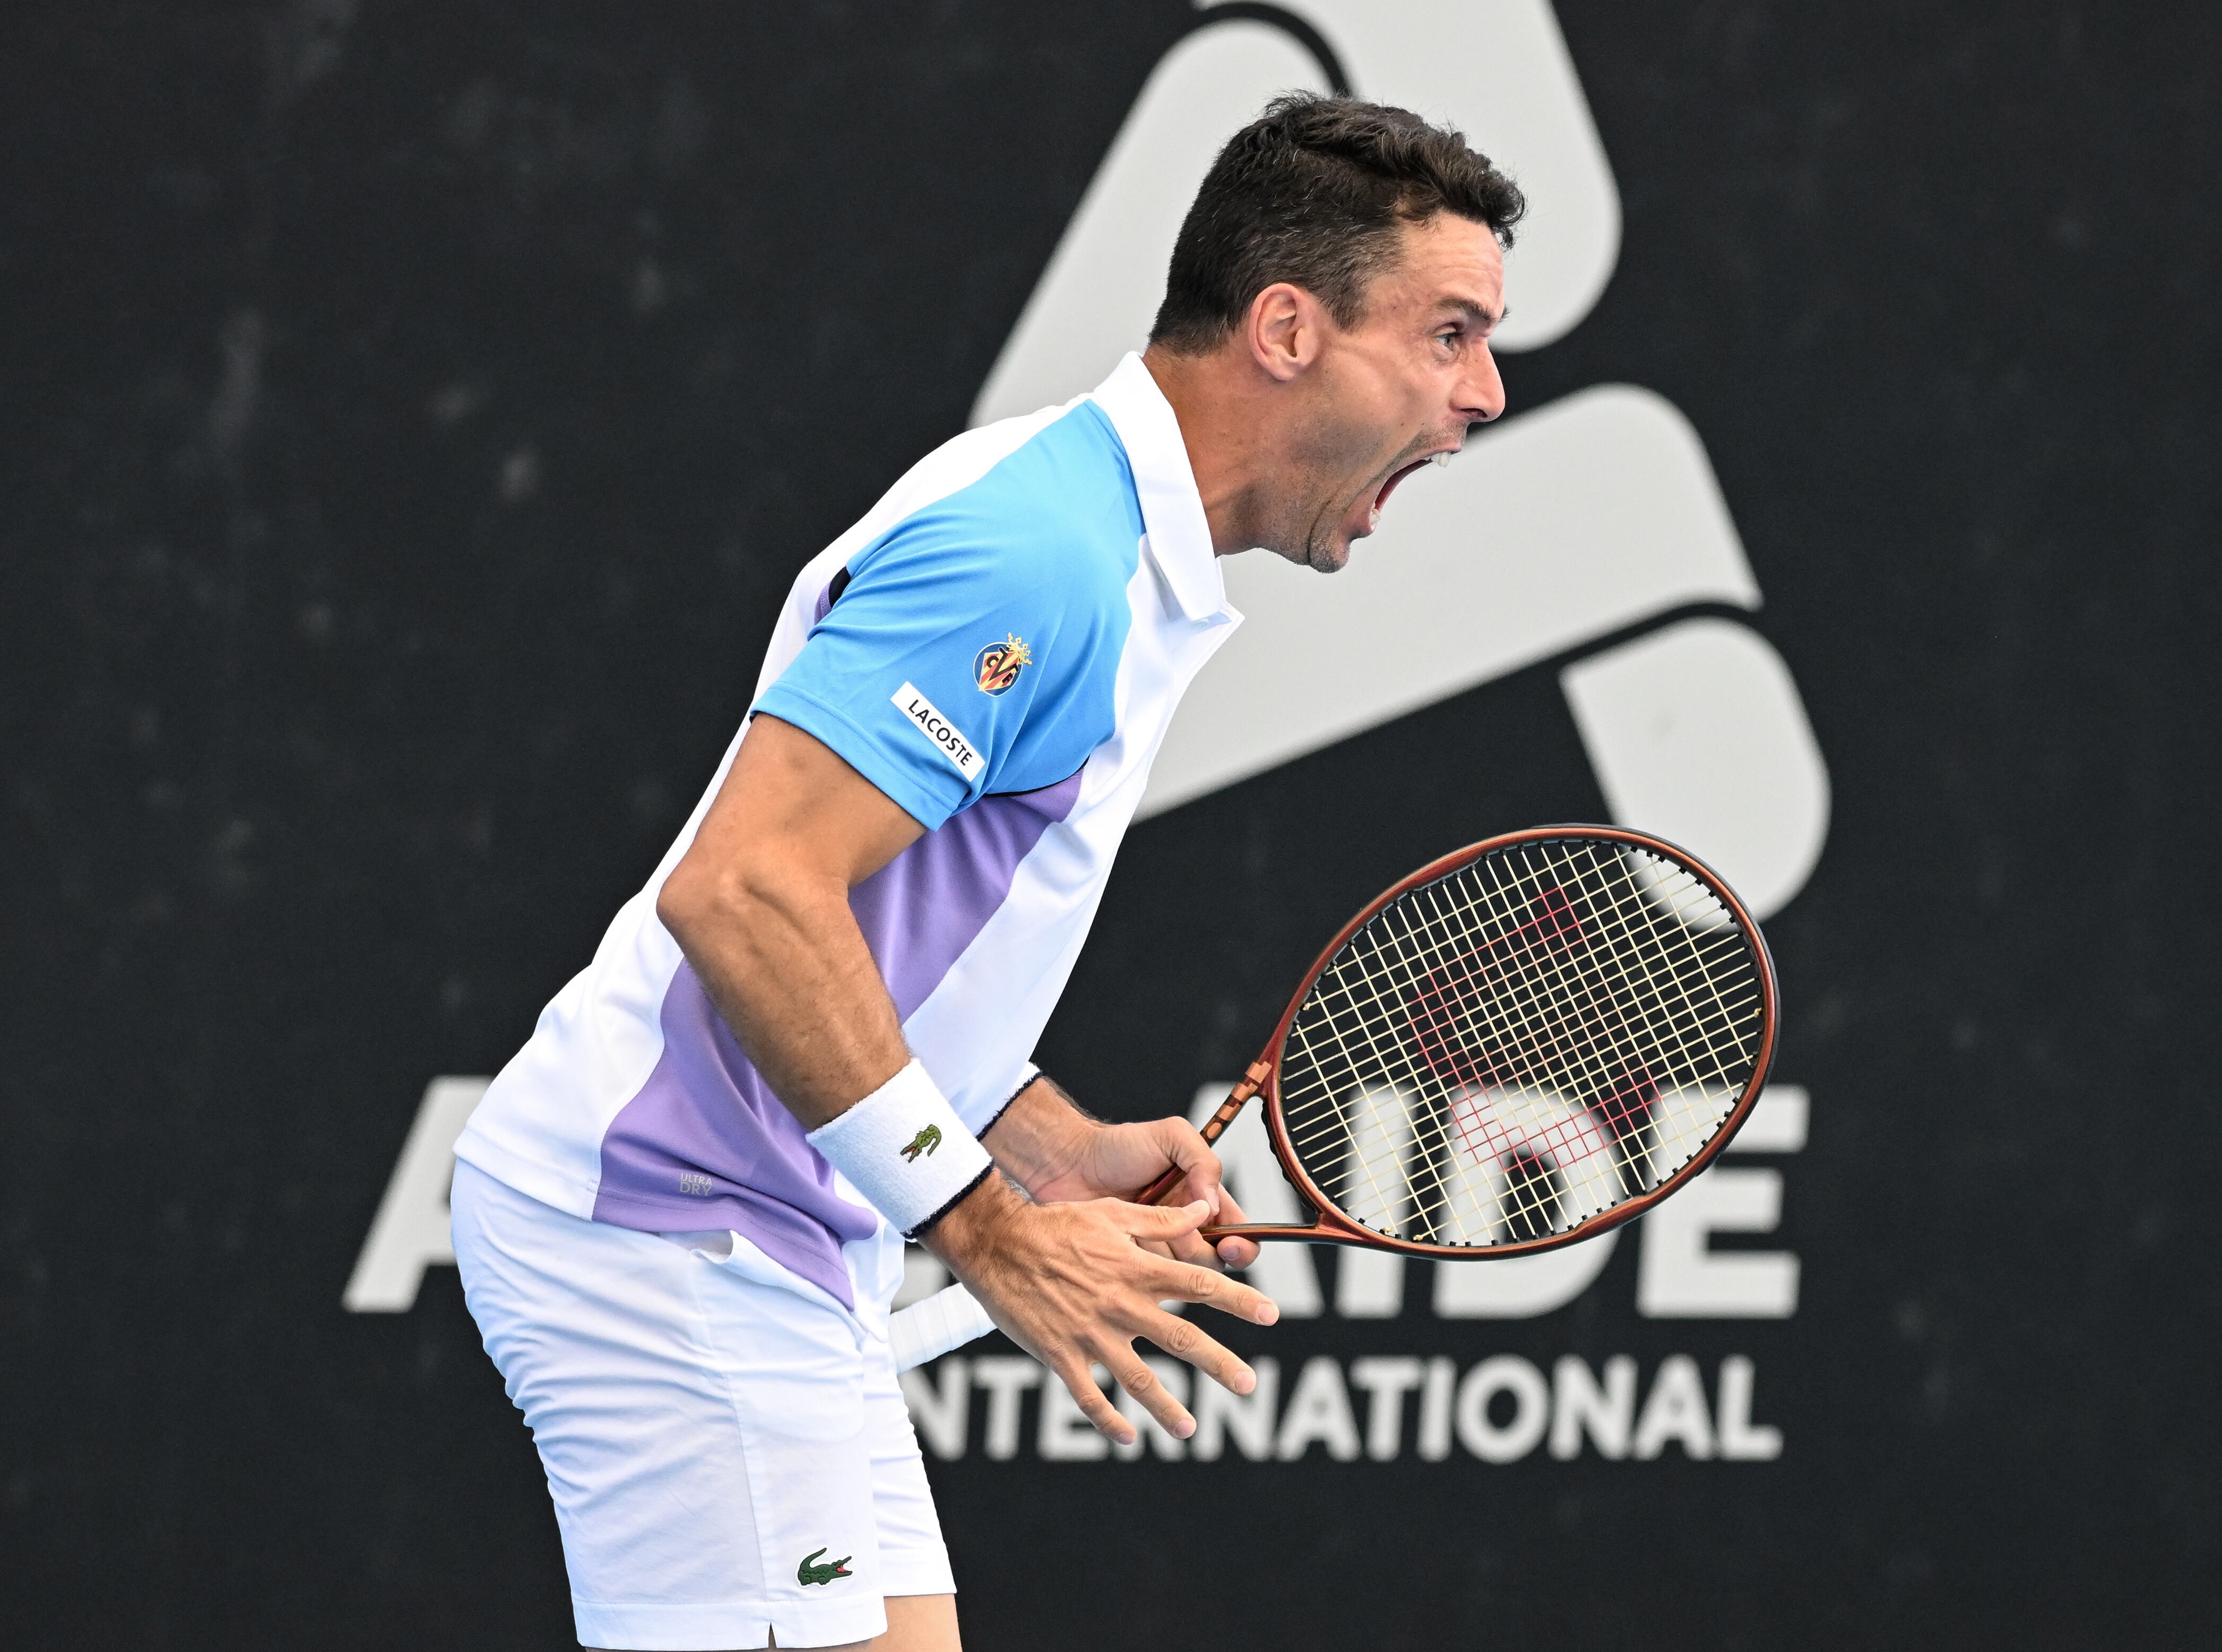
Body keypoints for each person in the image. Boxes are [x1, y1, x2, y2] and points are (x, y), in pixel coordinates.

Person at [448, 92, 1521, 1651]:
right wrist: (988, 1230)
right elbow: (743, 893)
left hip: (773, 1232)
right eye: (1449, 333)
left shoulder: (1108, 546)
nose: (1484, 393)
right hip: (665, 1234)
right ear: (1286, 326)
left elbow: (867, 943)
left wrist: (1042, 1147)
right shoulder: (1040, 554)